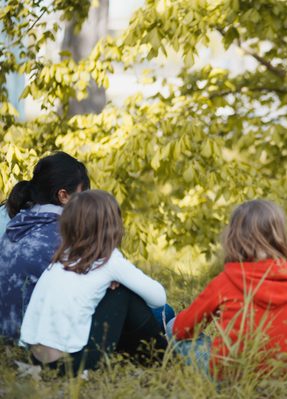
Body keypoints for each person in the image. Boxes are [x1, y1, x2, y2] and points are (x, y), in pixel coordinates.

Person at [20, 190, 168, 374]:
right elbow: (159, 298)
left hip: (37, 358)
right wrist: (119, 283)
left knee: (111, 293)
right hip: (69, 364)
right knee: (123, 294)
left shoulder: (63, 257)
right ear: (112, 226)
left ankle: (141, 354)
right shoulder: (108, 260)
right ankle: (164, 358)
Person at [169, 200, 287, 378]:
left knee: (172, 325)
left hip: (227, 378)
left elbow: (182, 329)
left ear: (234, 237)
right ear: (280, 236)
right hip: (281, 378)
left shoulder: (225, 281)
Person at [0, 151, 90, 340]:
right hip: (35, 342)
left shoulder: (15, 225)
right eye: (83, 195)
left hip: (7, 333)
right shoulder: (63, 236)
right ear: (64, 195)